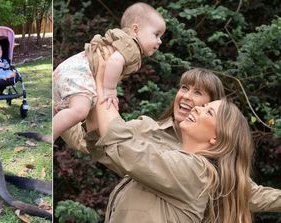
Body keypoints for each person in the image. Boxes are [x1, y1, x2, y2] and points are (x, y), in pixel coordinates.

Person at [60, 49, 281, 220]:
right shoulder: (148, 128)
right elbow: (104, 145)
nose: (188, 99)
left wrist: (102, 84)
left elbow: (122, 144)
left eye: (199, 95)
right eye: (184, 88)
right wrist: (68, 106)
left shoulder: (202, 170)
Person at [53, 2, 166, 142]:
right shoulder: (132, 46)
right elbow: (114, 62)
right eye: (156, 35)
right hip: (79, 72)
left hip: (72, 69)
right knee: (80, 111)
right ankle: (49, 136)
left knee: (71, 108)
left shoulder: (123, 42)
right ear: (135, 29)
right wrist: (110, 89)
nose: (159, 41)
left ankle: (46, 124)